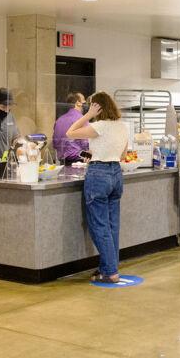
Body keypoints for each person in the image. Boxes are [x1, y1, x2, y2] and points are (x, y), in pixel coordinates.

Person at [66, 92, 128, 283]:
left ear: (97, 107)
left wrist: (87, 116)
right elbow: (123, 154)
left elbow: (69, 133)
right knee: (112, 225)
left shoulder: (98, 126)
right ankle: (107, 267)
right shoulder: (122, 126)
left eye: (92, 106)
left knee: (99, 225)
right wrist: (96, 152)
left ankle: (111, 272)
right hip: (116, 173)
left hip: (99, 174)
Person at [53, 92, 90, 164]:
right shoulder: (82, 119)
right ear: (78, 103)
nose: (85, 103)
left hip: (62, 162)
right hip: (79, 161)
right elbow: (86, 143)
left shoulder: (59, 120)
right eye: (84, 100)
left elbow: (55, 143)